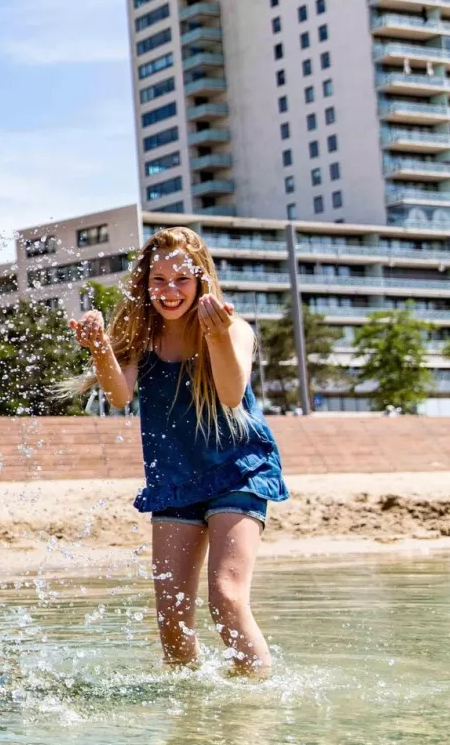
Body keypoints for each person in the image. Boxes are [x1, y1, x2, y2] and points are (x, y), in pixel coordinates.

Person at [69, 226, 288, 676]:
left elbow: (230, 394)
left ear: (201, 279)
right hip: (174, 478)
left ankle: (256, 708)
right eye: (158, 280)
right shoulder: (138, 339)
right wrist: (99, 348)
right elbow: (118, 395)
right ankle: (191, 713)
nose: (169, 291)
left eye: (181, 279)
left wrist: (218, 336)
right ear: (145, 284)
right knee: (172, 617)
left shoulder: (235, 329)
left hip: (238, 472)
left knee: (226, 596)